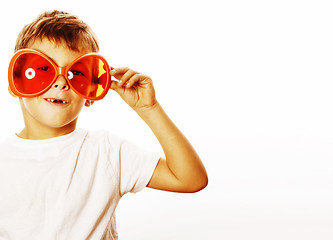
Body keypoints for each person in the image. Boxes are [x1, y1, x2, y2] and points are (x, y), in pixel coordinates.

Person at [0, 10, 208, 239]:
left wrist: (148, 109)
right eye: (43, 69)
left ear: (91, 92)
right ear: (15, 80)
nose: (61, 82)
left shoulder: (107, 151)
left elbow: (191, 179)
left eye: (76, 72)